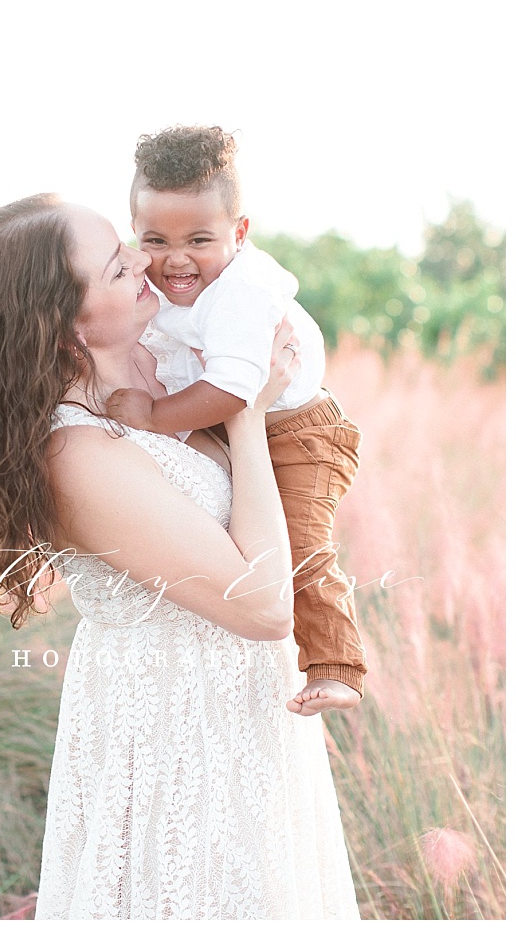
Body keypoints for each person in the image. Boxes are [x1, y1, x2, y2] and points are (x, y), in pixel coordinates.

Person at [0, 194, 358, 918]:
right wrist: (244, 416)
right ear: (65, 325)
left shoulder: (164, 382)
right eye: (120, 266)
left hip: (243, 712)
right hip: (174, 729)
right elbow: (263, 604)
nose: (148, 261)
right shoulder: (76, 452)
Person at [103, 126, 365, 715]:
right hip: (234, 420)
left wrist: (153, 415)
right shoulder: (166, 280)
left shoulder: (243, 291)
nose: (175, 258)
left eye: (199, 239)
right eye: (155, 239)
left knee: (299, 542)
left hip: (299, 432)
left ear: (239, 233)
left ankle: (337, 666)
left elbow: (230, 391)